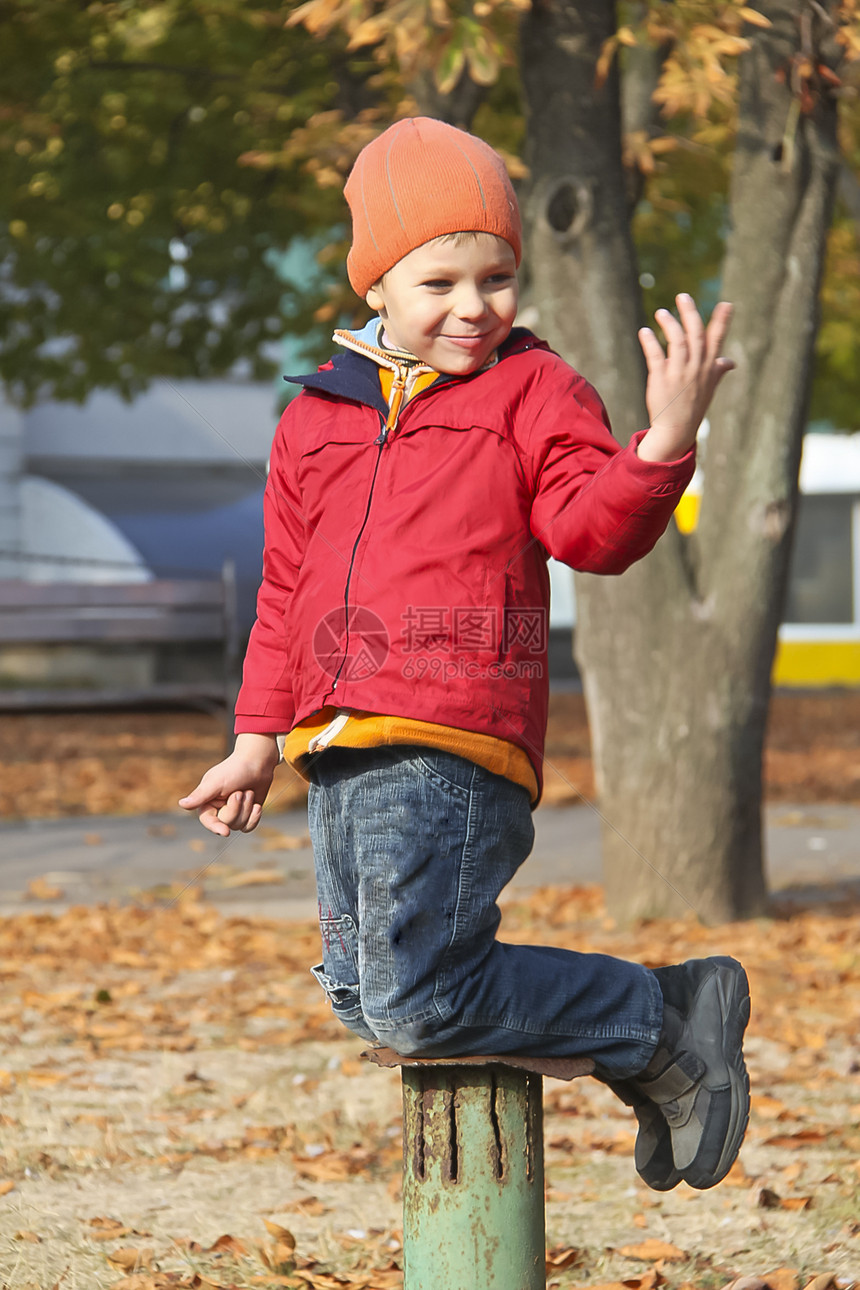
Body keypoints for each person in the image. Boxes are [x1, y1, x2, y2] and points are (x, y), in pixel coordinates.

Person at [180, 117, 750, 1192]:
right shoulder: (313, 417)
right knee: (362, 997)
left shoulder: (530, 390)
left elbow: (592, 531)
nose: (472, 306)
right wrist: (255, 740)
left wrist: (662, 444)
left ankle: (657, 1012)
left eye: (495, 277)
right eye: (438, 280)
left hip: (452, 733)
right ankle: (648, 1042)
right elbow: (285, 592)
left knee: (418, 996)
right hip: (337, 745)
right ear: (375, 288)